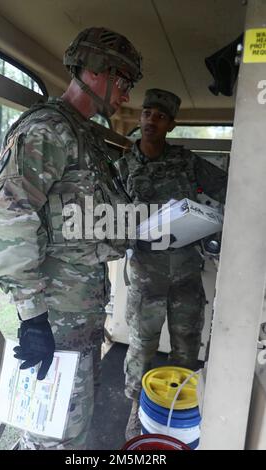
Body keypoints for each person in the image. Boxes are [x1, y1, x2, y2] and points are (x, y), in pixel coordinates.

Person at [0, 27, 142, 450]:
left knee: (75, 426)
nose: (126, 96)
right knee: (55, 434)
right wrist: (32, 317)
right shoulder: (49, 130)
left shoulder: (85, 135)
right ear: (94, 73)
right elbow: (8, 217)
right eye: (123, 82)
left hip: (82, 314)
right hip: (53, 319)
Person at [117, 88, 227, 440]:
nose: (151, 120)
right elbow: (110, 216)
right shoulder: (121, 167)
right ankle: (136, 411)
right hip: (146, 272)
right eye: (147, 113)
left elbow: (228, 186)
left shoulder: (187, 162)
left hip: (185, 271)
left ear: (171, 125)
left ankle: (178, 409)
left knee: (186, 341)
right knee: (141, 344)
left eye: (160, 116)